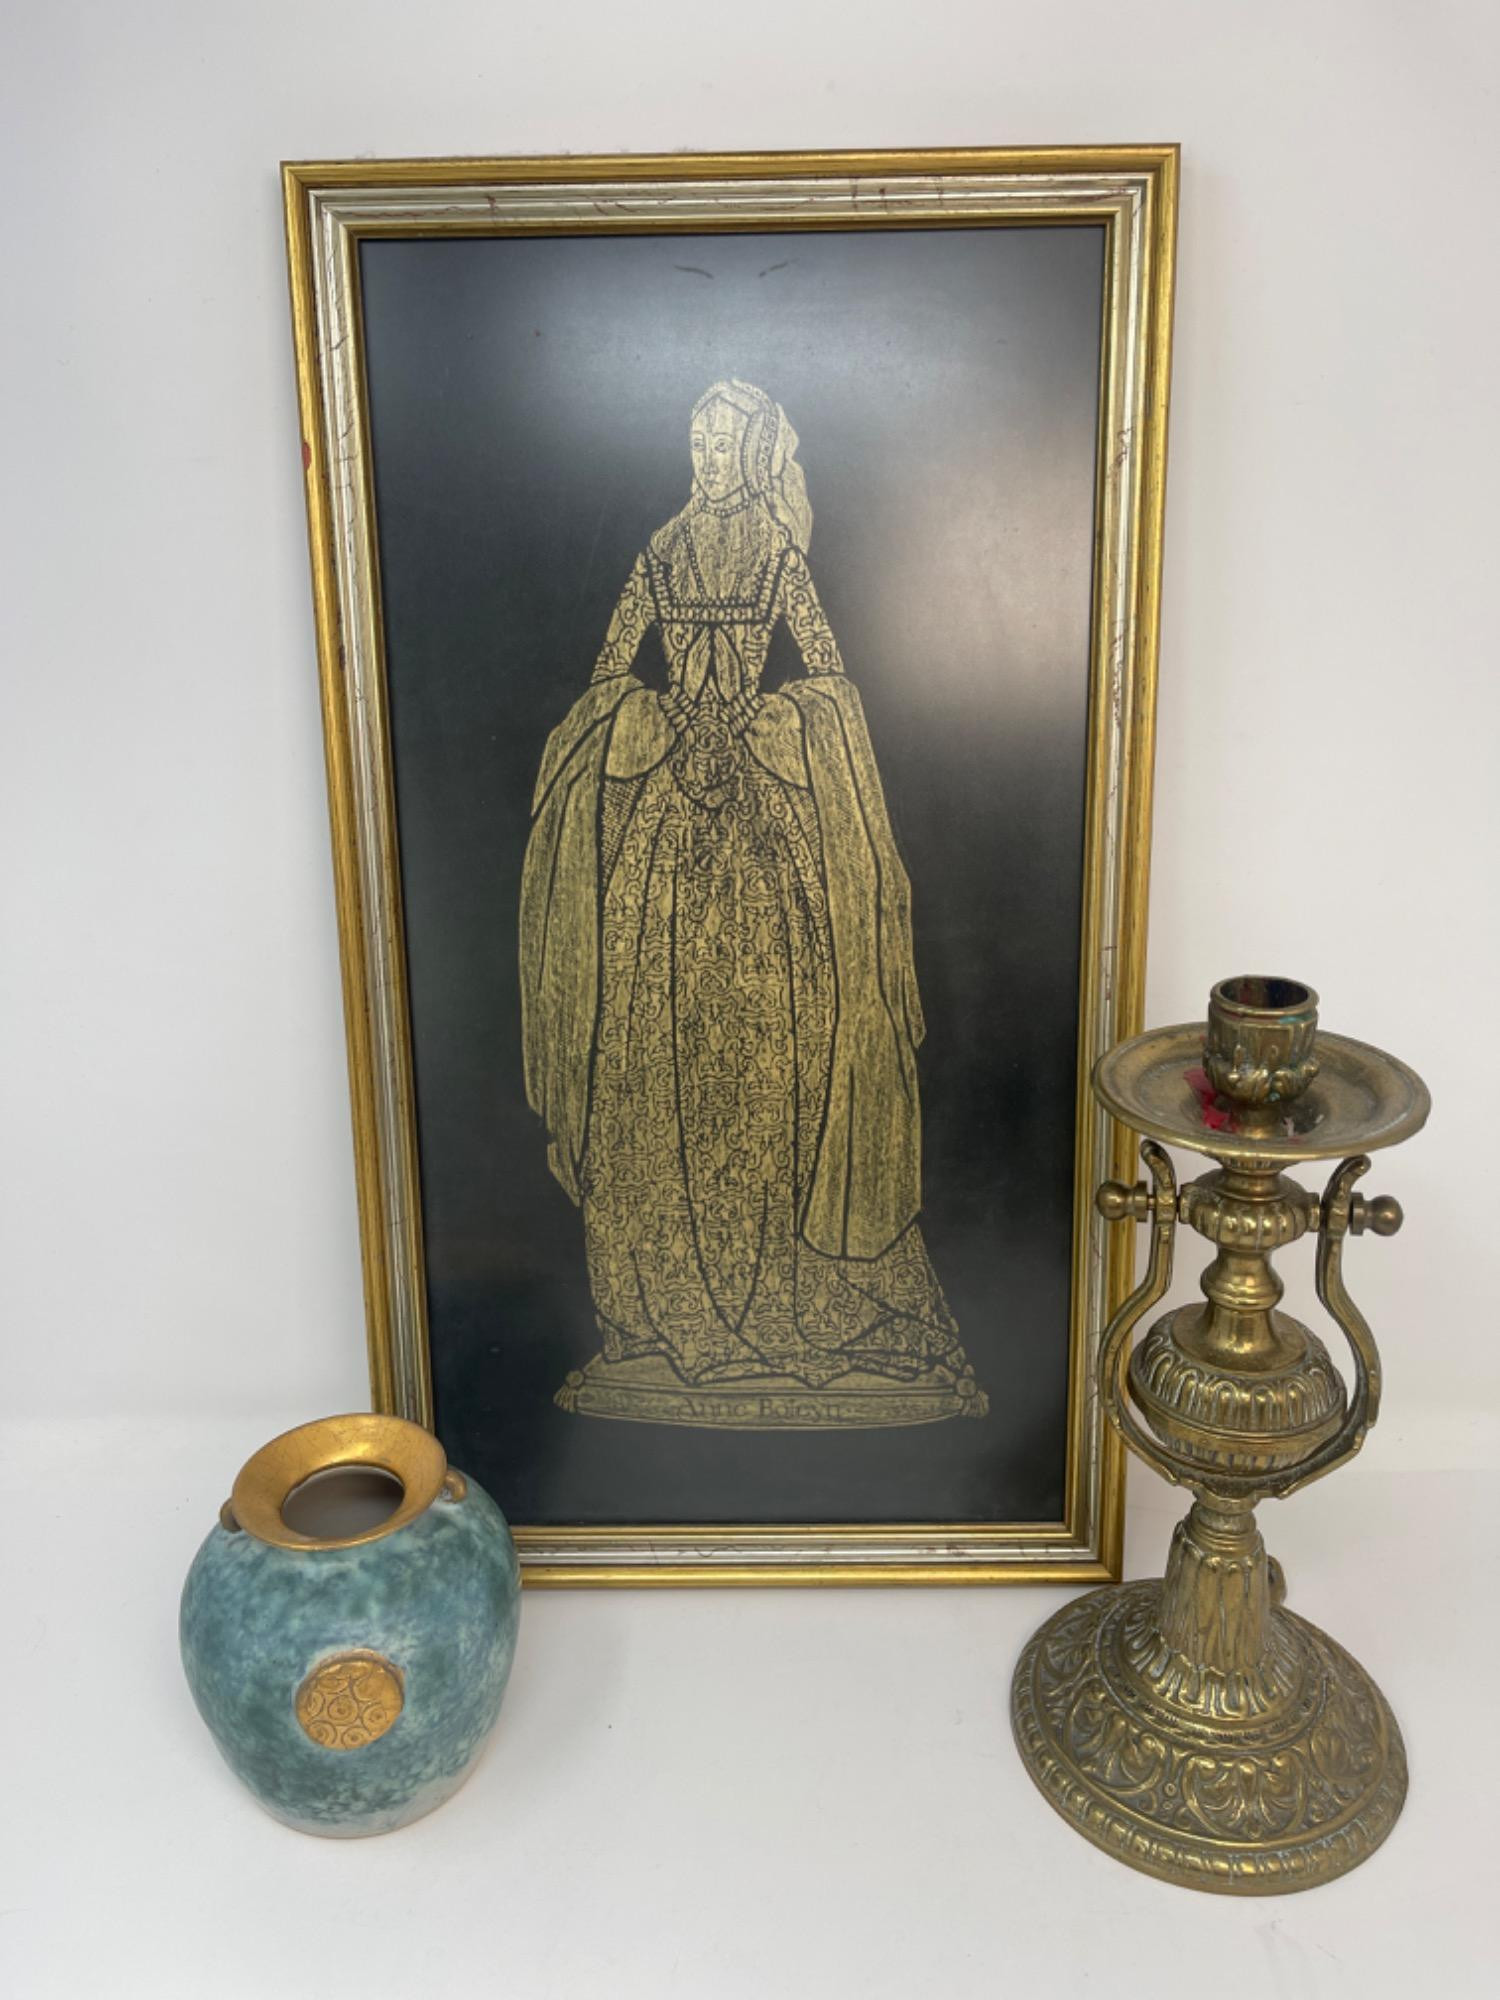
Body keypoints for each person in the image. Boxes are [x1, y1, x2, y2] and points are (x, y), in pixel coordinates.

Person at [521, 380, 986, 1427]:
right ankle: (667, 1307)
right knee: (653, 1053)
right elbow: (606, 677)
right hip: (666, 839)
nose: (707, 453)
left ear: (758, 450)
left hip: (763, 837)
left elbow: (832, 680)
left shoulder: (779, 556)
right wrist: (645, 722)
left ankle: (782, 1296)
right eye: (697, 436)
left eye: (724, 438)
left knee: (774, 1048)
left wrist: (782, 727)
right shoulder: (659, 550)